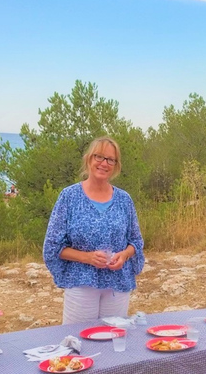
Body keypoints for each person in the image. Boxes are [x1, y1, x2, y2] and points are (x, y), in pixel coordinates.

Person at [43, 136, 145, 324]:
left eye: (110, 159)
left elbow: (136, 242)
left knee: (112, 341)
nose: (104, 163)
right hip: (81, 283)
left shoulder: (124, 200)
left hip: (117, 284)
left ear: (115, 165)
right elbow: (53, 246)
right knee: (78, 343)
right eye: (99, 157)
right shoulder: (69, 197)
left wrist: (124, 255)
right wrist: (87, 257)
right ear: (89, 159)